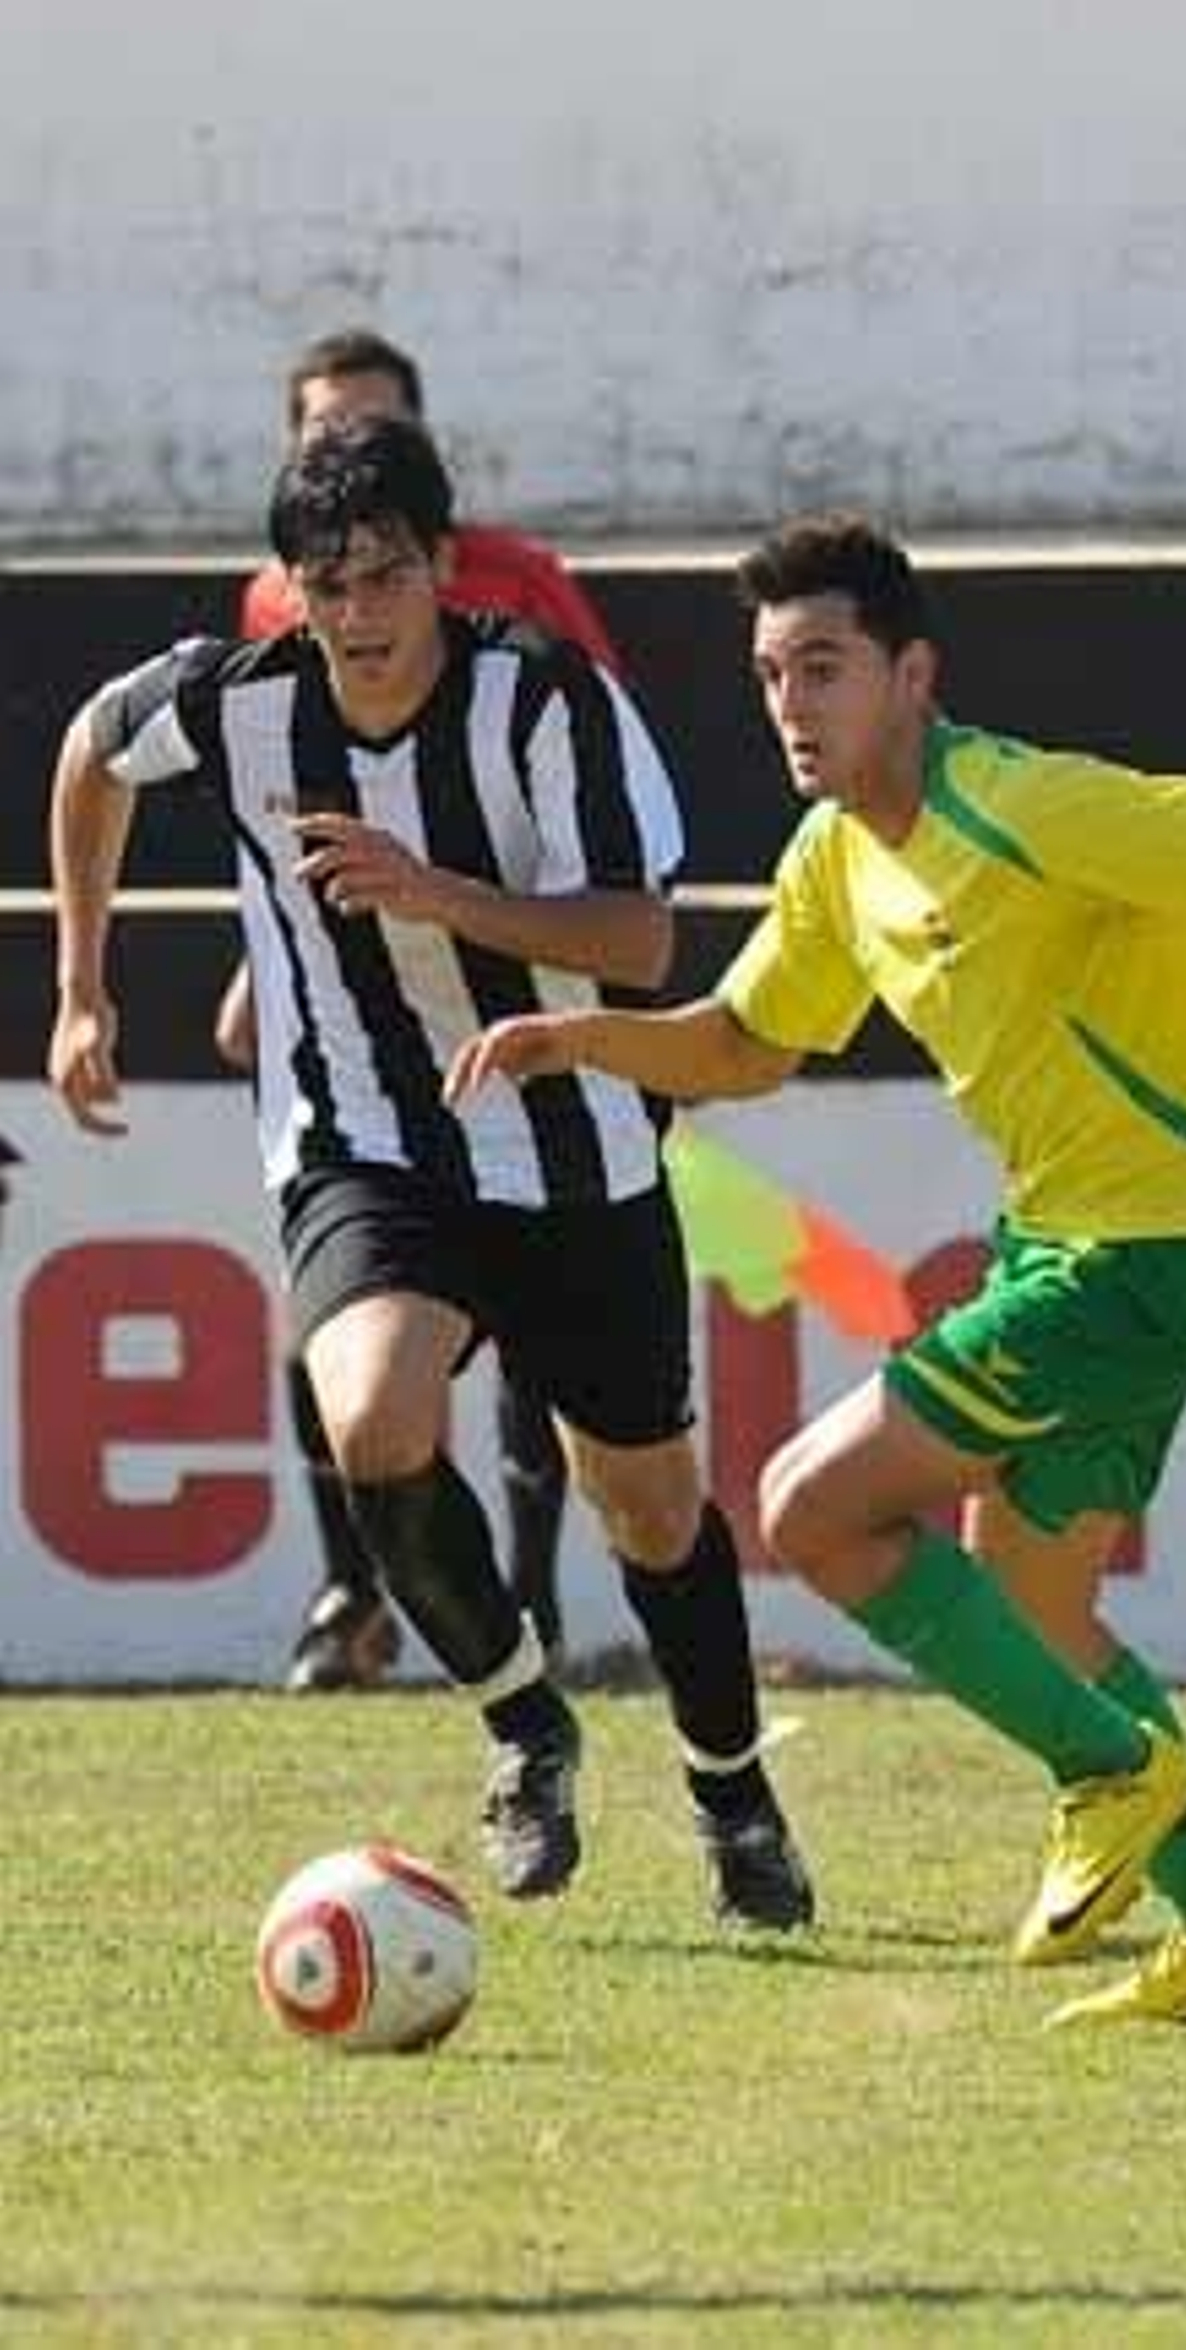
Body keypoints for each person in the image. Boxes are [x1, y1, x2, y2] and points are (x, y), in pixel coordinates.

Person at [444, 513, 1186, 2025]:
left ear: (914, 674)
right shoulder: (836, 860)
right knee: (1035, 1605)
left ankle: (1110, 1770)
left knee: (810, 1506)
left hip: (1148, 1252)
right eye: (773, 673)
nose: (793, 703)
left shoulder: (1021, 802)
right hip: (1076, 1240)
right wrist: (578, 1036)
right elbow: (741, 1042)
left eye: (827, 667)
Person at [47, 414, 814, 1932]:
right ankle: (526, 1723)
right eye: (326, 585)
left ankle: (733, 1794)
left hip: (573, 1138)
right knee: (373, 1415)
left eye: (386, 577)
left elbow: (640, 944)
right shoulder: (236, 700)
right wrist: (85, 982)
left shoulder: (549, 701)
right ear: (292, 590)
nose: (359, 615)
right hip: (370, 1141)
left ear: (445, 570)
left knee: (650, 1505)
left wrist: (438, 894)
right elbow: (90, 753)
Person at [227, 327, 618, 1690]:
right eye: (323, 429)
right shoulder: (276, 595)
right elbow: (279, 806)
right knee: (330, 1300)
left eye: (378, 427)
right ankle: (357, 1587)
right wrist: (256, 965)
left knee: (526, 1305)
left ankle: (534, 1597)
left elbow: (587, 777)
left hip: (510, 990)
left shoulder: (520, 587)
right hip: (354, 1007)